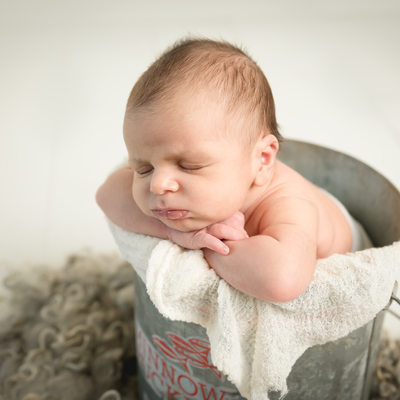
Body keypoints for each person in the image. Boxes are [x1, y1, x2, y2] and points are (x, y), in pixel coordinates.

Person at [96, 38, 361, 303]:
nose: (158, 184)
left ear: (263, 159)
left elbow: (283, 280)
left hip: (343, 249)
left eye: (189, 166)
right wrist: (178, 234)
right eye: (143, 168)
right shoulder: (190, 187)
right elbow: (107, 194)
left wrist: (212, 245)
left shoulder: (289, 203)